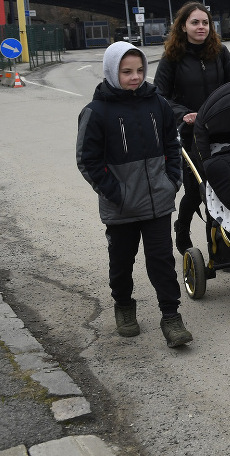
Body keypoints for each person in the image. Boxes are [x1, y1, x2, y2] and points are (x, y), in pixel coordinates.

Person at [76, 42, 193, 348]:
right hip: (121, 208)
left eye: (140, 70)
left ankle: (171, 317)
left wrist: (172, 182)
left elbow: (172, 143)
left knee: (161, 262)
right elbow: (88, 161)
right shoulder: (96, 111)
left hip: (157, 202)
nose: (135, 77)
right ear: (112, 71)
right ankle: (124, 307)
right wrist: (118, 195)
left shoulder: (158, 104)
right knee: (121, 262)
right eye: (126, 71)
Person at [154, 1, 230, 257]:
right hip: (189, 133)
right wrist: (183, 113)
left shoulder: (220, 52)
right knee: (197, 191)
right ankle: (183, 228)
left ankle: (221, 247)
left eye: (205, 22)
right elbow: (159, 96)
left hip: (221, 129)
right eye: (195, 22)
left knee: (222, 189)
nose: (201, 27)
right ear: (183, 26)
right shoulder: (172, 58)